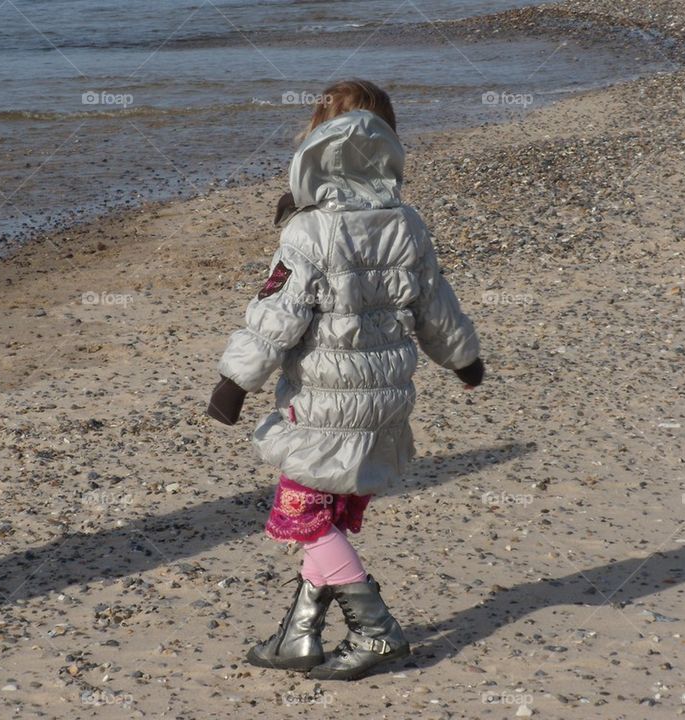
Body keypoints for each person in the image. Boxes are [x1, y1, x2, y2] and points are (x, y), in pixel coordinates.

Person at [206, 79, 483, 681]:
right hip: (384, 402)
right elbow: (435, 304)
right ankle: (298, 637)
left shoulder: (308, 232)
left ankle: (378, 632)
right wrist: (463, 359)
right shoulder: (406, 223)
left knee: (304, 518)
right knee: (325, 517)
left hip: (323, 405)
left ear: (315, 144)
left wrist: (234, 382)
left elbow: (277, 314)